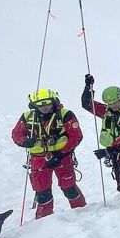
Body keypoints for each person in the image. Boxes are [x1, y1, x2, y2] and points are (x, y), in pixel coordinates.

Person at [11, 89, 86, 218]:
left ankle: (83, 213)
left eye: (47, 103)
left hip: (63, 157)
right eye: (40, 105)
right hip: (38, 159)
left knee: (69, 187)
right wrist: (25, 141)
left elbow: (76, 136)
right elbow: (16, 134)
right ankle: (43, 219)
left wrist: (60, 153)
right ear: (34, 105)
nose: (44, 107)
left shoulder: (65, 114)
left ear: (53, 101)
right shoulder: (28, 117)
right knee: (42, 191)